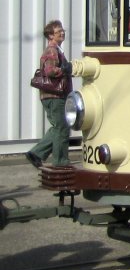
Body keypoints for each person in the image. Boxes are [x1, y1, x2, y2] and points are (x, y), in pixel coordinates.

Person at [26, 19, 73, 168]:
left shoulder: (57, 50)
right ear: (51, 35)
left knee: (59, 127)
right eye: (59, 31)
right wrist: (65, 69)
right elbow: (50, 71)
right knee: (62, 128)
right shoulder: (52, 50)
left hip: (54, 96)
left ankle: (36, 154)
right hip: (55, 96)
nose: (62, 33)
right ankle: (60, 161)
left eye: (62, 30)